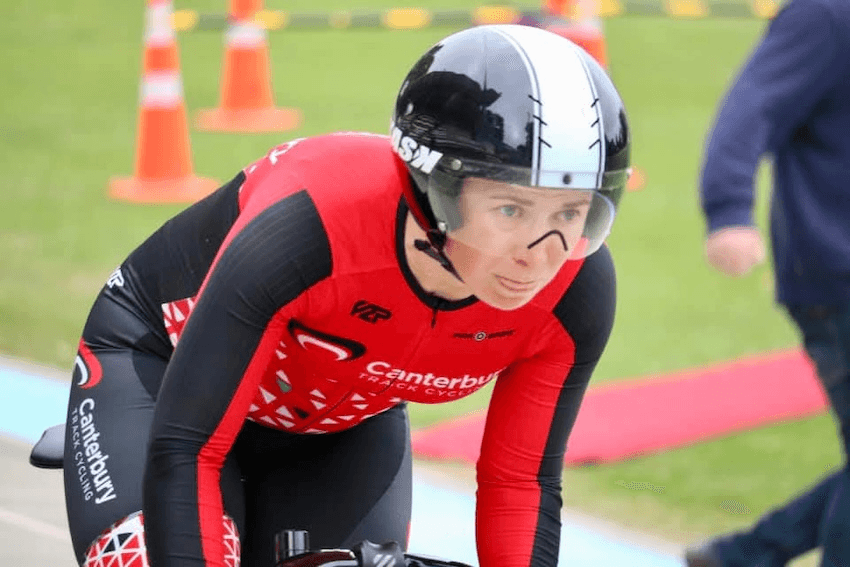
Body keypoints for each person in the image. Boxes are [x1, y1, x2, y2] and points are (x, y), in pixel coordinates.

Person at [62, 23, 631, 567]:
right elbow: (189, 451)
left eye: (571, 213)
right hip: (161, 375)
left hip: (340, 423)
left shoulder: (574, 290)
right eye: (511, 209)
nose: (542, 253)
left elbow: (520, 481)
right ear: (434, 191)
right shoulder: (311, 227)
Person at [685, 0, 850, 565]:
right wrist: (728, 210)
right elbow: (749, 110)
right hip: (837, 276)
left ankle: (741, 556)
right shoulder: (826, 15)